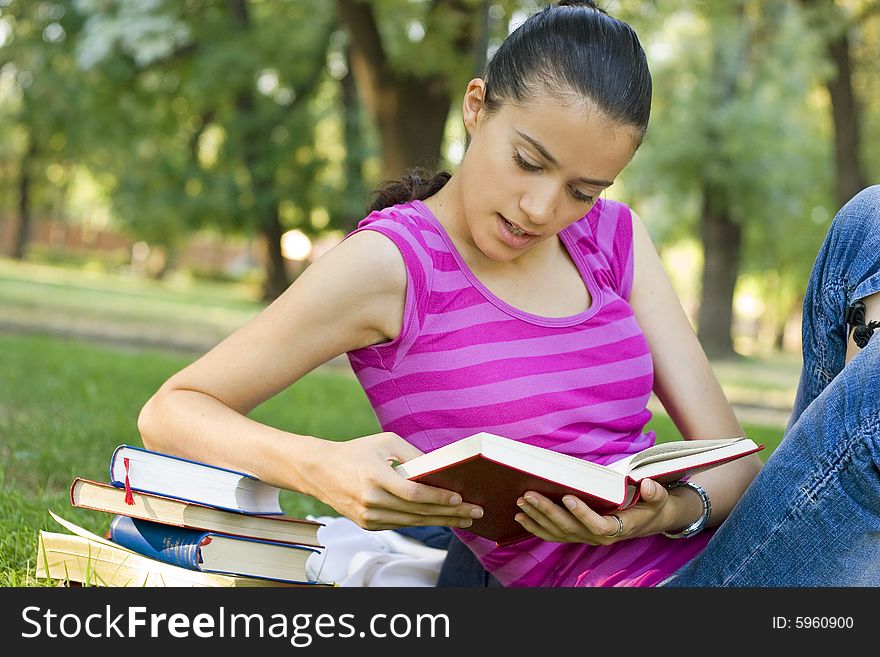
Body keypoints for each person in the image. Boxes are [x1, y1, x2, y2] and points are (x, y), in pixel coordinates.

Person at [136, 1, 879, 587]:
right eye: (528, 162)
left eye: (582, 190)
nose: (541, 209)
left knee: (869, 220)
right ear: (475, 107)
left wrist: (668, 508)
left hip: (732, 553)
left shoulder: (612, 240)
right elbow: (171, 408)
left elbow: (737, 466)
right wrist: (321, 465)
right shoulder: (394, 264)